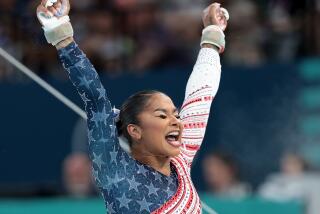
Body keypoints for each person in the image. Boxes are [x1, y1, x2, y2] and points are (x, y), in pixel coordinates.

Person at [36, 0, 229, 213]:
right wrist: (60, 33)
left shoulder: (181, 159)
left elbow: (201, 92)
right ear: (135, 130)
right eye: (162, 116)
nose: (176, 120)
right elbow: (96, 100)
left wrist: (212, 33)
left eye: (175, 114)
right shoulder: (116, 174)